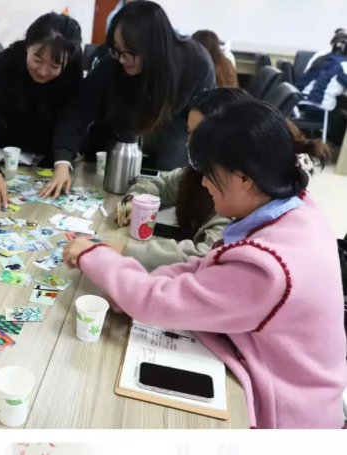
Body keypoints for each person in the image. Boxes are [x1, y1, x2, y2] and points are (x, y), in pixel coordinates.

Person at [63, 100, 346, 429]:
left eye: (210, 174)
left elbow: (156, 303)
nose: (203, 183)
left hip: (287, 419)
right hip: (278, 372)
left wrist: (94, 255)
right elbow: (206, 269)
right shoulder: (295, 208)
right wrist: (133, 283)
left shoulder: (267, 268)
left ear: (244, 178)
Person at [44, 1, 215, 197]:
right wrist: (63, 162)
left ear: (152, 48)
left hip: (169, 153)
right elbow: (78, 110)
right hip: (117, 151)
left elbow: (204, 128)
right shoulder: (113, 64)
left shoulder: (196, 63)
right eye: (116, 49)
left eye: (128, 52)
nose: (121, 59)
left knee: (162, 191)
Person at [115, 87, 249, 270]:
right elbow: (161, 186)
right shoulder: (197, 173)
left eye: (199, 135)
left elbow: (203, 256)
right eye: (189, 132)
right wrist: (131, 202)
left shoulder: (239, 200)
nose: (189, 143)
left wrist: (124, 250)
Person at [0, 12, 83, 209]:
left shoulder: (72, 66)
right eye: (37, 59)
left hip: (50, 150)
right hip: (12, 150)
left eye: (54, 65)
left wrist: (63, 163)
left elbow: (72, 117)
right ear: (27, 46)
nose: (43, 71)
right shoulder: (9, 63)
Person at [297, 31, 347, 147]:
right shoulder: (344, 64)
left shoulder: (321, 57)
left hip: (300, 103)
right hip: (319, 109)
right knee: (341, 120)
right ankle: (331, 149)